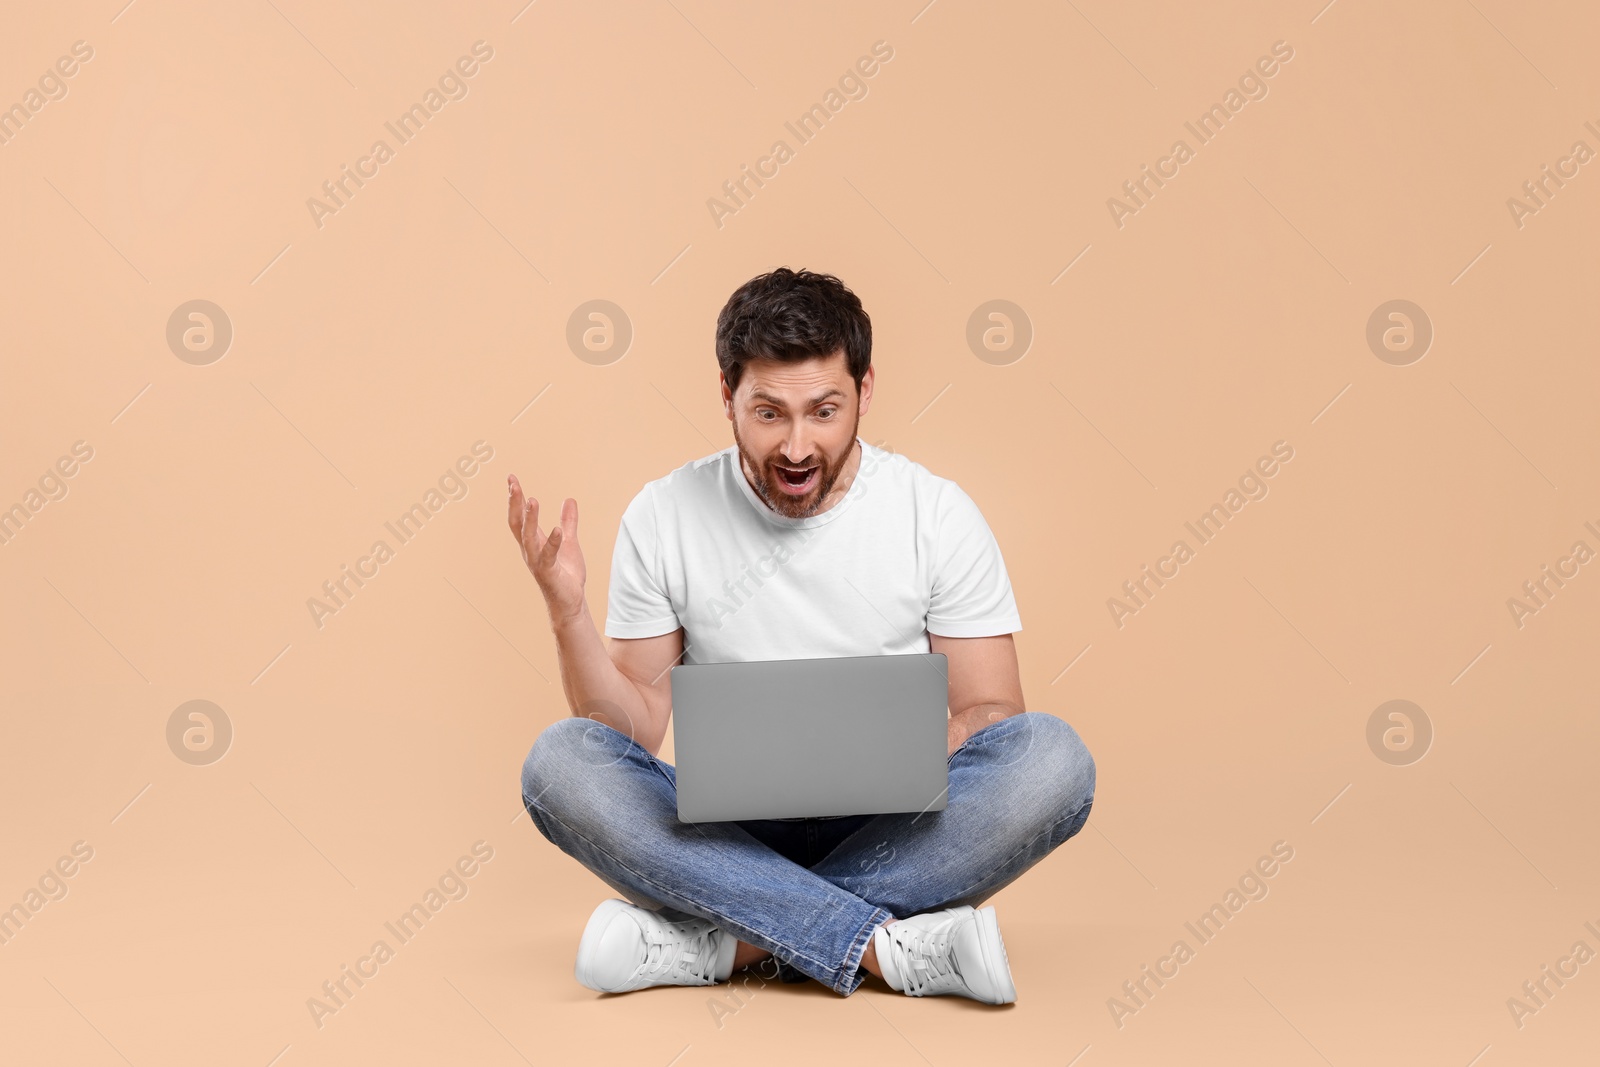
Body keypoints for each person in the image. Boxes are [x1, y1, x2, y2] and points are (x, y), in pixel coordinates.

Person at [509, 268, 1095, 1003]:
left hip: (896, 828)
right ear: (727, 398)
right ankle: (888, 946)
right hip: (728, 835)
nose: (795, 447)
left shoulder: (935, 514)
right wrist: (567, 613)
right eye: (768, 413)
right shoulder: (665, 513)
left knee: (1052, 760)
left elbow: (991, 717)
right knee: (561, 764)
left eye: (824, 411)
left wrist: (887, 756)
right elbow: (629, 726)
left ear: (865, 390)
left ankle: (728, 941)